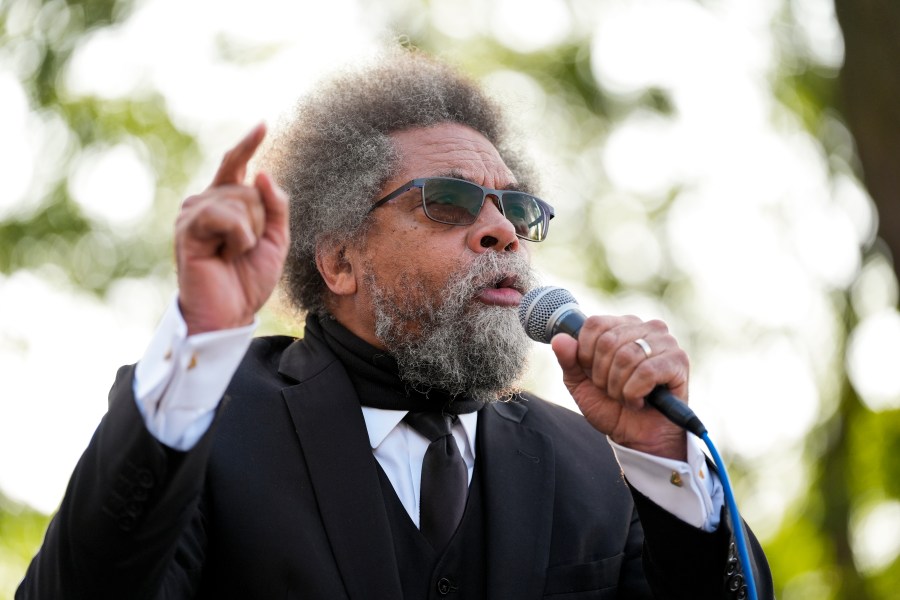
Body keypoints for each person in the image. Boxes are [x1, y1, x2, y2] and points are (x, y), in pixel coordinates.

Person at [18, 48, 773, 599]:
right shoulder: (205, 420)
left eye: (516, 210)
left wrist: (665, 458)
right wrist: (202, 332)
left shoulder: (603, 464)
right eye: (446, 201)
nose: (500, 231)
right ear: (340, 261)